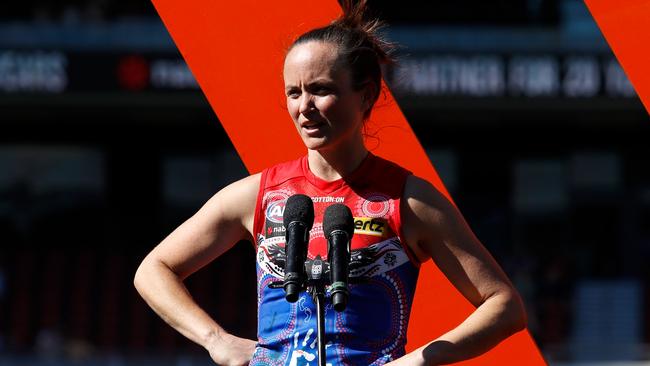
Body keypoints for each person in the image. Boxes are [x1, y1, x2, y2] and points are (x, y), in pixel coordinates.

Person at [133, 1, 527, 365]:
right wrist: (216, 340)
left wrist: (419, 360)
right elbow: (154, 269)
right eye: (293, 92)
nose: (304, 107)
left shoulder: (409, 200)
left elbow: (504, 305)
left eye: (321, 89)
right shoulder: (254, 194)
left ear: (366, 95)